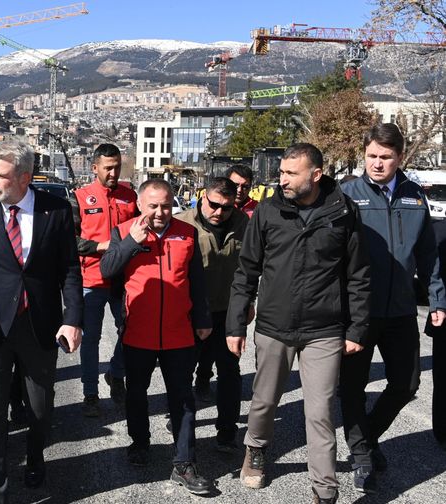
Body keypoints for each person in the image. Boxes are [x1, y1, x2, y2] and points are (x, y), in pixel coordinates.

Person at [226, 143, 369, 504]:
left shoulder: (343, 212)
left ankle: (325, 490)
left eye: (291, 173)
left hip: (324, 329)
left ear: (316, 175)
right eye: (281, 172)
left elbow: (358, 275)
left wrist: (356, 328)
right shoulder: (268, 211)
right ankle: (256, 448)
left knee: (320, 412)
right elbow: (247, 270)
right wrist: (236, 324)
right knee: (264, 401)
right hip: (274, 326)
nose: (283, 180)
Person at [0, 140, 83, 503]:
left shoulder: (56, 211)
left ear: (25, 177)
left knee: (40, 409)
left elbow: (70, 270)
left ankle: (35, 457)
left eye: (1, 176)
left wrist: (72, 318)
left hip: (39, 326)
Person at [339, 123, 446, 492]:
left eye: (386, 157)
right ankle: (362, 456)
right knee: (352, 386)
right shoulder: (347, 195)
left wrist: (437, 298)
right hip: (358, 310)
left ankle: (367, 437)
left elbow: (428, 254)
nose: (377, 163)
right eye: (372, 155)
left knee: (406, 383)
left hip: (401, 309)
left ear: (400, 157)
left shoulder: (415, 196)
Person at [100, 178, 213, 495]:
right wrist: (130, 243)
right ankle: (139, 443)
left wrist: (203, 319)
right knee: (137, 393)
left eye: (165, 205)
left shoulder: (187, 232)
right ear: (139, 204)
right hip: (139, 332)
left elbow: (197, 281)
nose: (160, 212)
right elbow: (107, 270)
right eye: (153, 206)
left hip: (179, 332)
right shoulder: (124, 232)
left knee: (183, 398)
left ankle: (184, 463)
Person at [176, 176, 249, 452]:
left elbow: (251, 267)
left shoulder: (244, 224)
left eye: (226, 207)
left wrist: (249, 302)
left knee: (229, 373)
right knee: (183, 372)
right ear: (202, 197)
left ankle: (227, 433)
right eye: (214, 205)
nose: (219, 212)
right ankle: (182, 427)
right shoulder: (182, 223)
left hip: (228, 313)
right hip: (190, 313)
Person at [74, 143, 138, 415]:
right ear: (95, 168)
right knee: (91, 339)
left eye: (117, 167)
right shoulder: (80, 197)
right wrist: (100, 247)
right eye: (108, 168)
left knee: (131, 331)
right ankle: (90, 394)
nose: (113, 173)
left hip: (123, 280)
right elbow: (70, 240)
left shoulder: (130, 197)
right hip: (92, 279)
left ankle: (116, 372)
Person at [428, 219, 446, 452]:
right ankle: (442, 431)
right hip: (444, 315)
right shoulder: (439, 231)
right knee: (443, 378)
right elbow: (432, 272)